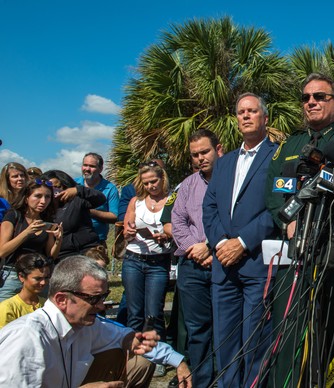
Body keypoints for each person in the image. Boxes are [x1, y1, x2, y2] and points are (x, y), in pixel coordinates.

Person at [264, 73, 334, 387]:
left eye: (319, 96)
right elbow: (273, 191)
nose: (311, 102)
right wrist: (288, 221)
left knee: (333, 335)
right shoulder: (290, 145)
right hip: (295, 254)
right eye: (306, 98)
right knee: (290, 335)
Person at [0, 255, 192, 387]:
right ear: (61, 300)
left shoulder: (85, 325)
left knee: (139, 360)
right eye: (93, 299)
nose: (101, 305)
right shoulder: (26, 338)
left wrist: (179, 362)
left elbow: (128, 338)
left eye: (104, 296)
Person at [203, 92, 278, 388]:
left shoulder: (277, 157)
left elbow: (279, 206)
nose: (245, 116)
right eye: (240, 112)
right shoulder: (224, 162)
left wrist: (243, 242)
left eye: (252, 111)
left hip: (256, 265)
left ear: (265, 118)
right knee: (225, 345)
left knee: (256, 343)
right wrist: (221, 243)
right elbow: (209, 206)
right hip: (223, 267)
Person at [172, 129, 223, 387]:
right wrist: (196, 248)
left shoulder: (231, 180)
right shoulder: (188, 185)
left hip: (223, 262)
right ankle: (202, 381)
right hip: (192, 266)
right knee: (197, 331)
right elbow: (177, 222)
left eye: (205, 152)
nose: (200, 158)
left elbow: (234, 220)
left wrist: (210, 247)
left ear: (219, 149)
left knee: (224, 328)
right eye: (195, 155)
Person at [122, 161, 172, 345]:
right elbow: (126, 231)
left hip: (158, 261)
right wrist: (128, 233)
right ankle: (134, 351)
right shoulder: (136, 202)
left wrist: (165, 237)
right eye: (146, 183)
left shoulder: (171, 200)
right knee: (134, 311)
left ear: (162, 179)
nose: (150, 186)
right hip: (133, 258)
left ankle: (158, 353)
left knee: (154, 312)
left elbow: (177, 229)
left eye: (153, 181)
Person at [0, 179, 63, 301]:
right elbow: (2, 251)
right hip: (14, 275)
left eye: (47, 197)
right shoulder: (14, 216)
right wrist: (27, 232)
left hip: (39, 275)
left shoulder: (47, 219)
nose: (43, 201)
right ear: (26, 197)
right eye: (38, 196)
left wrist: (58, 240)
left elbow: (51, 255)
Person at [41, 169, 106, 260]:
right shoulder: (42, 207)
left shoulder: (76, 200)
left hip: (87, 250)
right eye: (50, 188)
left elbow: (100, 199)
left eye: (57, 187)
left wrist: (78, 190)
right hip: (62, 254)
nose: (54, 190)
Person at [75, 152, 120, 246]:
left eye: (92, 166)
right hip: (73, 240)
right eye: (85, 165)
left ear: (100, 169)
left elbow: (115, 216)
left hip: (96, 242)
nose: (87, 169)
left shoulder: (110, 188)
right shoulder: (73, 184)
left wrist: (90, 212)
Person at [0, 252, 51, 328]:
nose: (43, 282)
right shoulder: (8, 307)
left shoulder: (47, 305)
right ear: (21, 277)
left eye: (46, 277)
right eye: (38, 279)